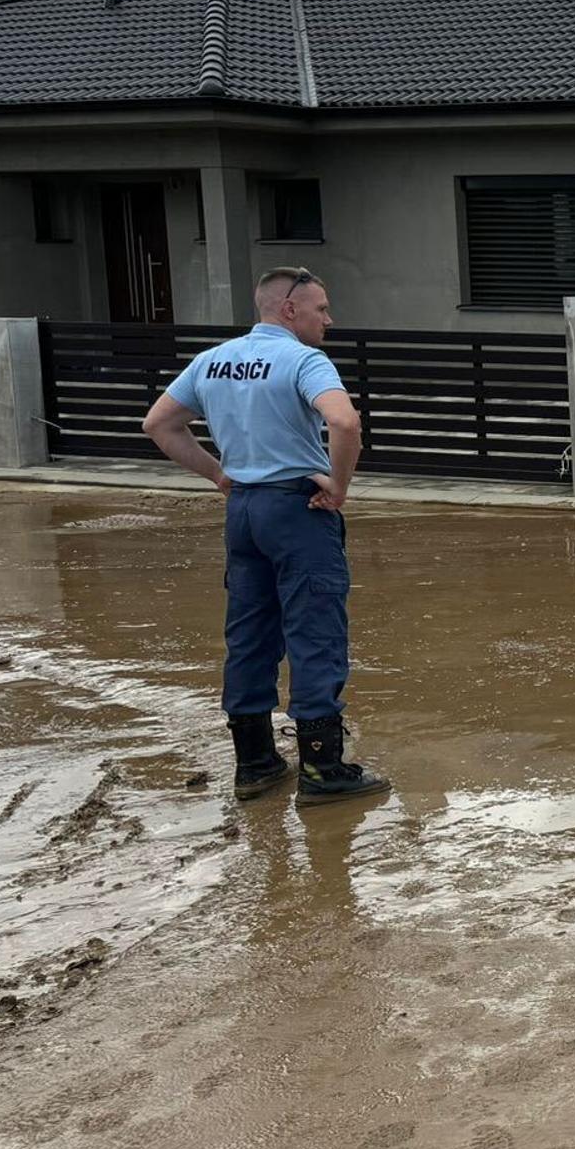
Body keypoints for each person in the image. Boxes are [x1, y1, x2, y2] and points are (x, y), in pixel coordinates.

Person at [142, 266, 391, 805]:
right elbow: (345, 423)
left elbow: (158, 424)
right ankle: (323, 769)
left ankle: (254, 764)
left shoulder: (214, 360)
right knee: (315, 628)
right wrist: (340, 486)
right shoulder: (304, 360)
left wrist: (218, 475)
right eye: (321, 309)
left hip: (245, 513)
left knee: (249, 633)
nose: (330, 319)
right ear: (289, 310)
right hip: (297, 509)